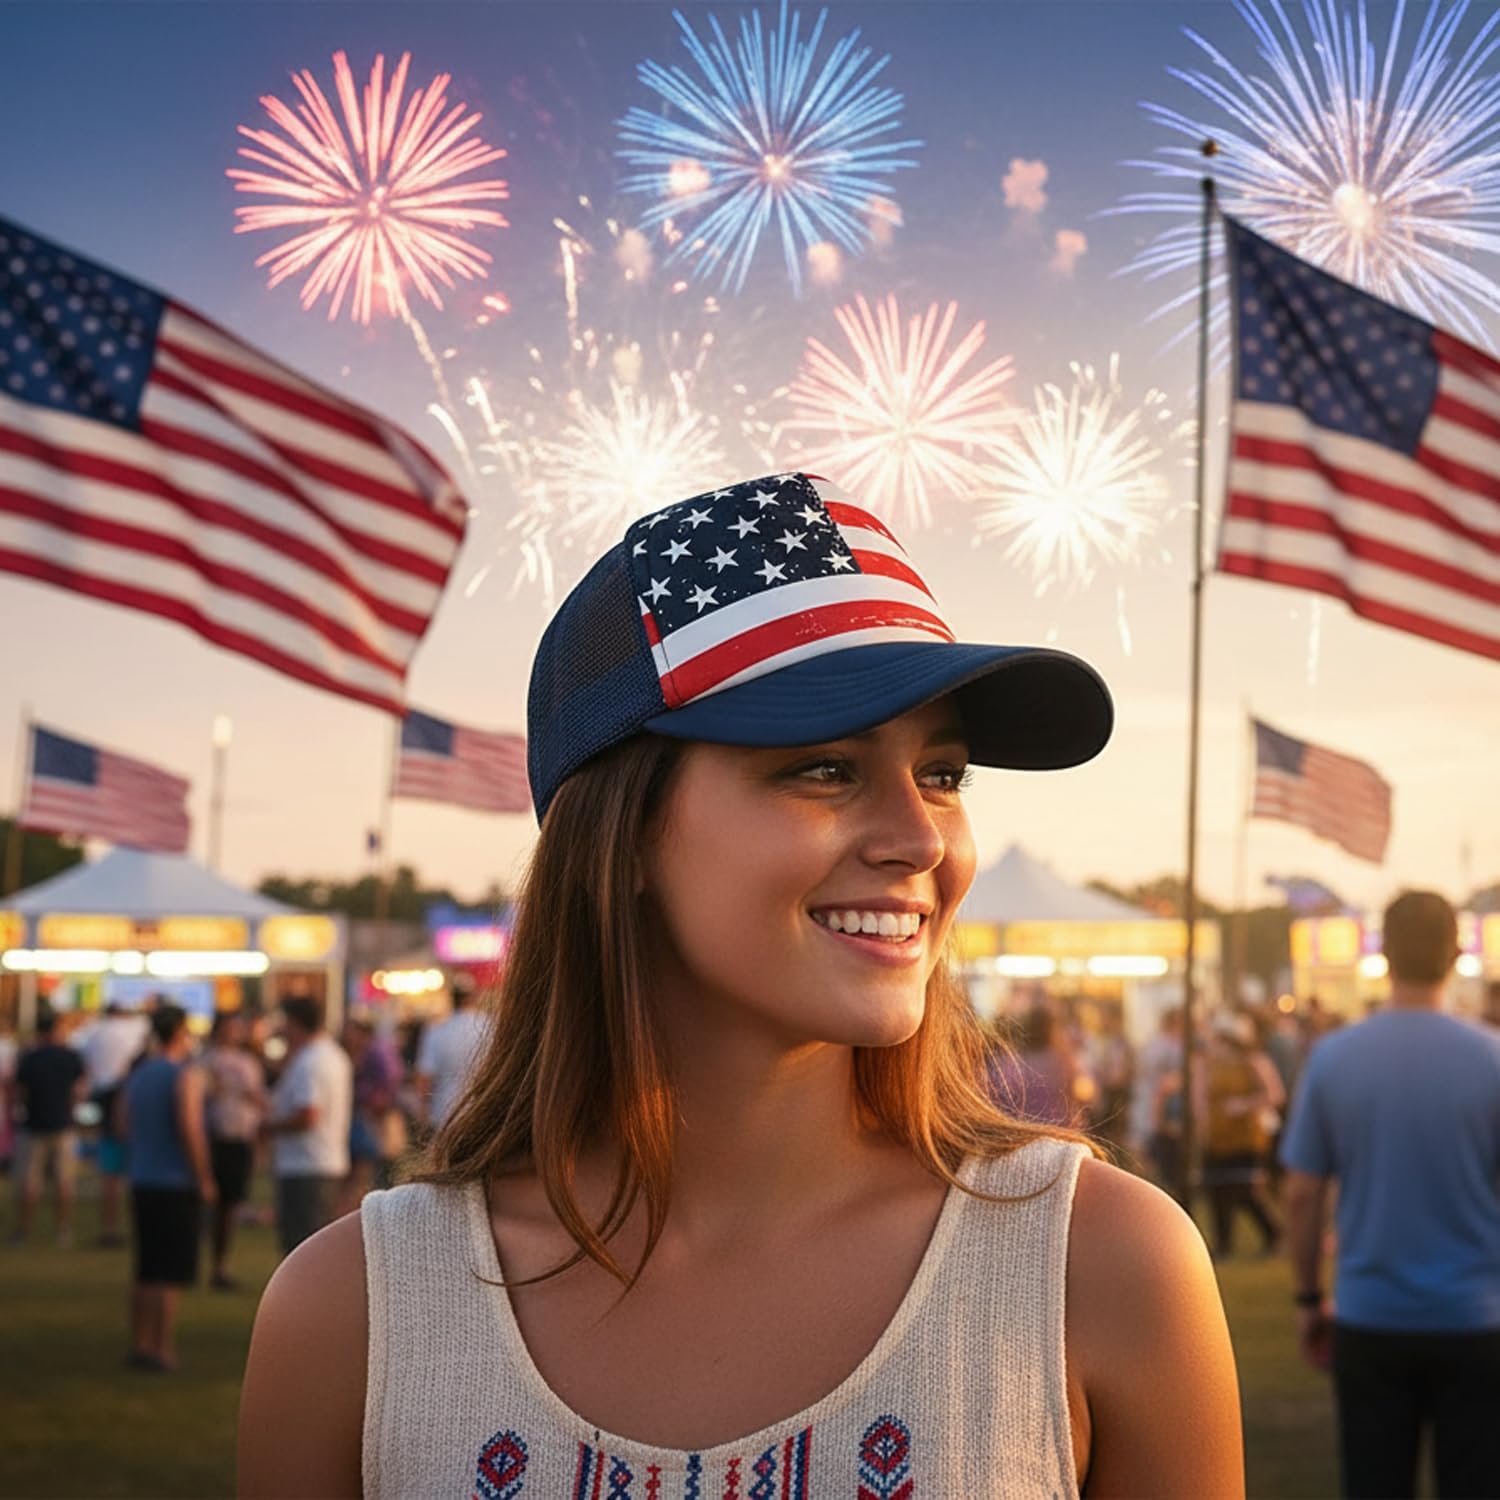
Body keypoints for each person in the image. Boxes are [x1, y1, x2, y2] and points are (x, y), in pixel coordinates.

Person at [239, 472, 1242, 1497]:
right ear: (623, 835)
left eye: (942, 773)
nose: (917, 840)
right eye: (823, 768)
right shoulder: (355, 1313)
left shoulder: (1099, 1269)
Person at [1280, 889, 1500, 1498]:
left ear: (1385, 954)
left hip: (1371, 1315)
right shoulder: (1491, 1059)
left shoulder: (1334, 1059)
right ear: (1456, 953)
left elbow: (1302, 1194)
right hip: (1478, 1318)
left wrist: (1306, 1297)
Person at [120, 1003, 215, 1371]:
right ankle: (161, 1348)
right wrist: (203, 1177)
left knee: (145, 1266)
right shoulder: (184, 1075)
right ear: (179, 1031)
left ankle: (140, 1343)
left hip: (142, 1176)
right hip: (173, 1180)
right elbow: (189, 1126)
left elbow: (122, 1123)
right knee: (169, 1270)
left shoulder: (140, 1072)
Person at [264, 994, 352, 1257]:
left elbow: (308, 1115)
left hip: (306, 1165)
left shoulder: (311, 1061)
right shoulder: (331, 1054)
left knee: (301, 1251)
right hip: (321, 1162)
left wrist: (269, 1127)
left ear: (295, 1023)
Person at [1201, 1011, 1284, 1259]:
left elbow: (1275, 1095)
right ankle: (1223, 1243)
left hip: (1246, 1136)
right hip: (1218, 1135)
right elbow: (1202, 1097)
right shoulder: (1210, 1063)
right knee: (1217, 1189)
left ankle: (1272, 1233)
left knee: (1246, 1189)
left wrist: (1244, 1105)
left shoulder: (1254, 1062)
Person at [10, 1009, 87, 1246]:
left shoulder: (30, 1057)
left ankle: (24, 1230)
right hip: (62, 1125)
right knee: (64, 1182)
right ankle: (63, 1231)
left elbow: (18, 1091)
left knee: (30, 1182)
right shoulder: (69, 1056)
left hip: (33, 1124)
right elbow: (79, 1090)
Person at [202, 1010, 267, 1288]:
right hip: (212, 1136)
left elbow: (258, 1099)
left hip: (238, 1136)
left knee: (230, 1203)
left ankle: (220, 1264)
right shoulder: (205, 1061)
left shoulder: (248, 1062)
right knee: (209, 1202)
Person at [79, 1000, 150, 1247]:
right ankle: (135, 1229)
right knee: (135, 1172)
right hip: (131, 1098)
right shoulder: (137, 1028)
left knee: (111, 1173)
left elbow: (87, 1065)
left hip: (106, 1097)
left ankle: (110, 1228)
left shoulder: (95, 1031)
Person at [338, 1016, 405, 1214]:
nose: (346, 1035)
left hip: (375, 1119)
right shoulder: (362, 1052)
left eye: (350, 1030)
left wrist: (375, 1103)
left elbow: (390, 1081)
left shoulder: (378, 1052)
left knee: (367, 1171)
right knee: (358, 1173)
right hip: (363, 1117)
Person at [413, 972, 489, 1133]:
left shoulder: (437, 1031)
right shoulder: (490, 1027)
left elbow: (424, 1077)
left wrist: (422, 1113)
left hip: (445, 1114)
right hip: (483, 1112)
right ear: (473, 997)